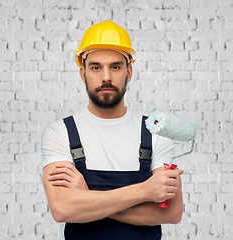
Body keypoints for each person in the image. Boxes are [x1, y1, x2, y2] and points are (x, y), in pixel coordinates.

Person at [41, 20, 184, 240]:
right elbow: (62, 209)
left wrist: (87, 198)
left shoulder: (156, 134)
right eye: (96, 67)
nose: (106, 77)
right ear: (83, 74)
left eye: (115, 66)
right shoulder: (60, 132)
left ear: (129, 73)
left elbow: (172, 212)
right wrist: (145, 192)